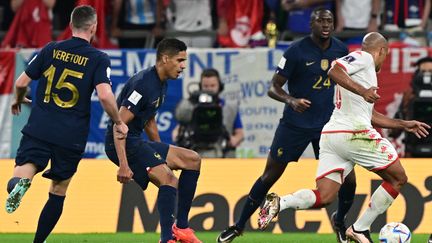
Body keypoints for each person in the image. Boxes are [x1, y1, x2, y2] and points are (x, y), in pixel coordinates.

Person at [258, 32, 430, 243]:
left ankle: (280, 203)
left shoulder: (361, 73)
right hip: (353, 133)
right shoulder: (364, 57)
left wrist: (403, 124)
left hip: (332, 136)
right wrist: (362, 90)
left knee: (325, 196)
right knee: (398, 178)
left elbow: (370, 115)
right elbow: (334, 70)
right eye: (385, 55)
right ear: (382, 51)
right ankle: (360, 228)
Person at [217, 8, 355, 243]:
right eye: (320, 20)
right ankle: (239, 226)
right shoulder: (295, 51)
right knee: (270, 175)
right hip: (295, 124)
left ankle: (340, 222)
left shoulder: (341, 50)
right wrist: (291, 100)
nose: (326, 24)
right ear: (310, 24)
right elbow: (274, 87)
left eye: (329, 21)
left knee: (348, 180)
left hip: (327, 126)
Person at [4, 5, 129, 243]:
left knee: (23, 171)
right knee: (58, 192)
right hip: (70, 135)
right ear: (94, 27)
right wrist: (118, 121)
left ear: (71, 25)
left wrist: (18, 101)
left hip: (40, 127)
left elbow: (20, 83)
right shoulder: (98, 58)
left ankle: (21, 184)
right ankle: (38, 242)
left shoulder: (51, 49)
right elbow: (104, 95)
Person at [104, 38, 202, 243]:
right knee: (169, 179)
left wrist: (159, 151)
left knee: (192, 159)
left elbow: (148, 119)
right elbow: (118, 124)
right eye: (180, 60)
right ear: (165, 59)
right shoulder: (143, 85)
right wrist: (123, 164)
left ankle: (182, 227)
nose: (183, 66)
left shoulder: (161, 83)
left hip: (135, 140)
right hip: (121, 143)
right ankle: (167, 238)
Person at [173, 68, 244, 158]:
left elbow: (240, 133)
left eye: (212, 85)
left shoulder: (230, 107)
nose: (209, 89)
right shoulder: (192, 106)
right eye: (206, 86)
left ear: (220, 86)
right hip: (195, 154)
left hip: (222, 155)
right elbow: (178, 129)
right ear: (200, 86)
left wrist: (233, 140)